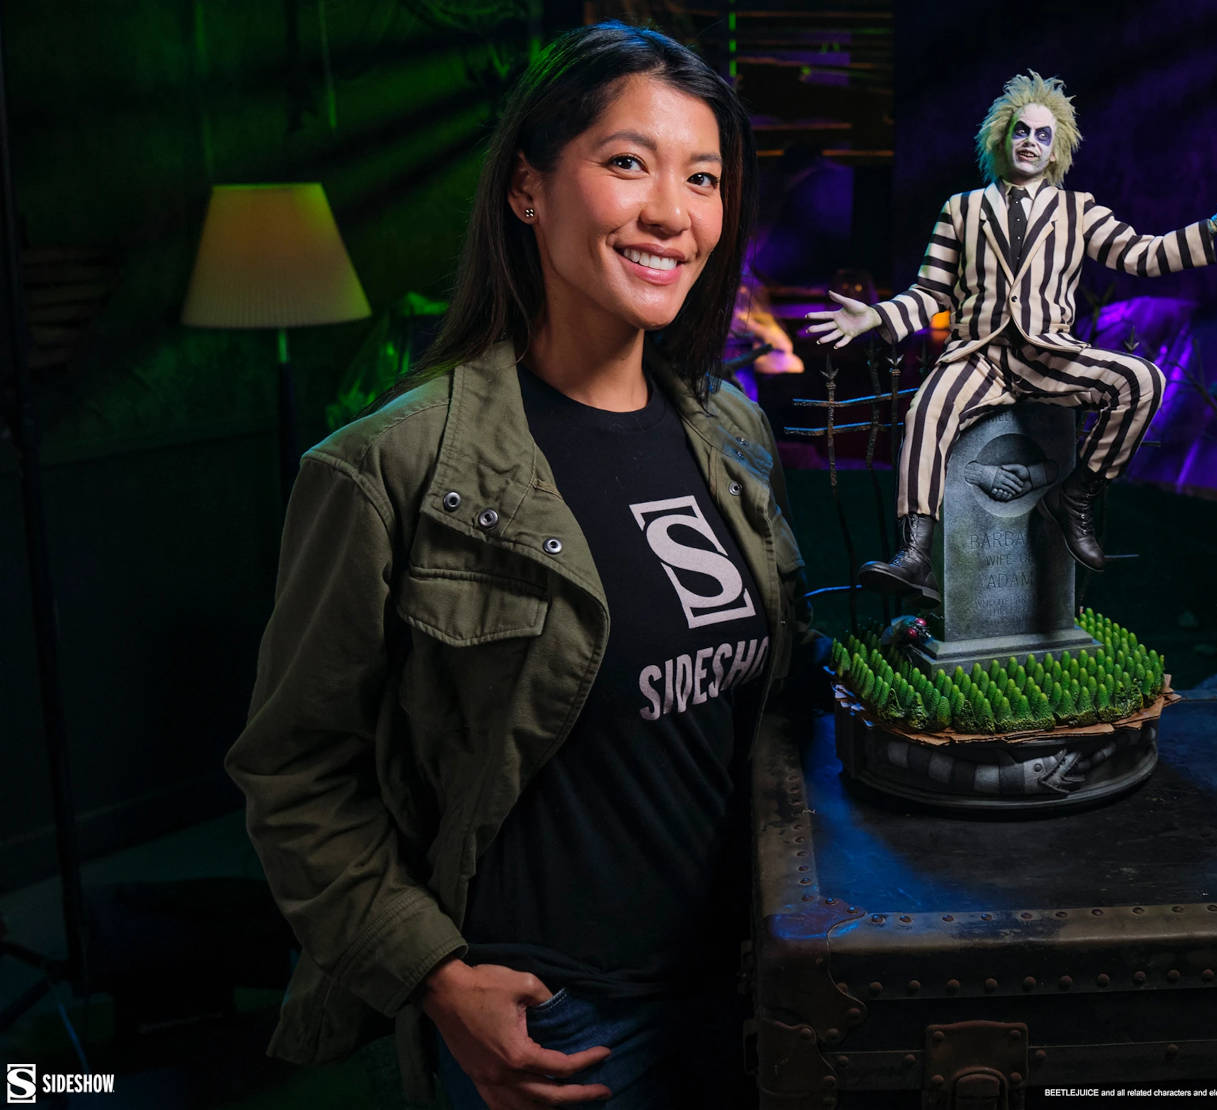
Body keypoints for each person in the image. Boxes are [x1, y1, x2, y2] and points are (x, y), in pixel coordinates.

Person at [225, 22, 819, 1109]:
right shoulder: (390, 469)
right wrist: (435, 978)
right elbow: (294, 772)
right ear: (526, 189)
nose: (672, 214)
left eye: (703, 178)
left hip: (754, 983)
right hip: (563, 1025)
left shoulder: (732, 431)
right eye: (628, 162)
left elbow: (771, 699)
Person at [807, 71, 1217, 602]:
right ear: (1002, 138)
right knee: (925, 412)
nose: (1030, 142)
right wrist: (876, 316)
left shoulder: (1078, 210)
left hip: (1047, 354)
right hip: (978, 355)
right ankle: (915, 554)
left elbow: (1141, 255)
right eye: (1022, 131)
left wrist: (1214, 224)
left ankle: (1076, 497)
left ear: (1056, 151)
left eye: (1042, 135)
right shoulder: (961, 209)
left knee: (1143, 379)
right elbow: (931, 291)